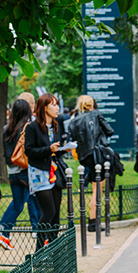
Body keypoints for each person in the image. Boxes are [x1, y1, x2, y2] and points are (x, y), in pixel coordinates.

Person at [24, 93, 71, 249]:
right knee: (48, 211)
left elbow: (55, 151)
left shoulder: (57, 126)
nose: (57, 108)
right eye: (53, 104)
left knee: (56, 213)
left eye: (57, 104)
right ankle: (39, 250)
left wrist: (65, 149)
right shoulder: (32, 127)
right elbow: (29, 151)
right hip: (39, 172)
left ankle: (53, 247)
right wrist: (48, 149)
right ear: (44, 107)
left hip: (54, 171)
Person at [68, 95, 114, 232]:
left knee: (94, 187)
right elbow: (110, 131)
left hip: (84, 157)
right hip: (97, 155)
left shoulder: (74, 121)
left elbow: (71, 141)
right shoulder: (96, 115)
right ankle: (93, 221)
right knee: (98, 189)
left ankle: (93, 220)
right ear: (92, 104)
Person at [0, 99, 41, 250]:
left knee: (17, 205)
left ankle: (5, 234)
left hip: (12, 172)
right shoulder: (28, 127)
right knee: (35, 203)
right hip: (24, 171)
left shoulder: (6, 128)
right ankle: (42, 237)